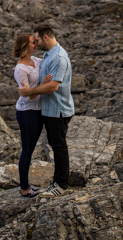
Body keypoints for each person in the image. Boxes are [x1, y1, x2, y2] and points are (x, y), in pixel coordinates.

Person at [18, 23, 73, 198]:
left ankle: (61, 185)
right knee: (56, 146)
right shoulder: (48, 55)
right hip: (49, 110)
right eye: (34, 42)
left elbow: (53, 87)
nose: (37, 44)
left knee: (59, 146)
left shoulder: (58, 57)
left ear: (46, 37)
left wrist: (31, 91)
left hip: (58, 110)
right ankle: (57, 182)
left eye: (38, 40)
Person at [12, 33, 51, 197]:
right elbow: (27, 95)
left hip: (37, 110)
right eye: (33, 42)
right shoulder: (20, 69)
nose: (36, 44)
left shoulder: (35, 61)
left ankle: (26, 186)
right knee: (27, 150)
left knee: (31, 148)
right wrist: (43, 86)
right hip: (27, 111)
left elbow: (48, 61)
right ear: (25, 46)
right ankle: (24, 189)